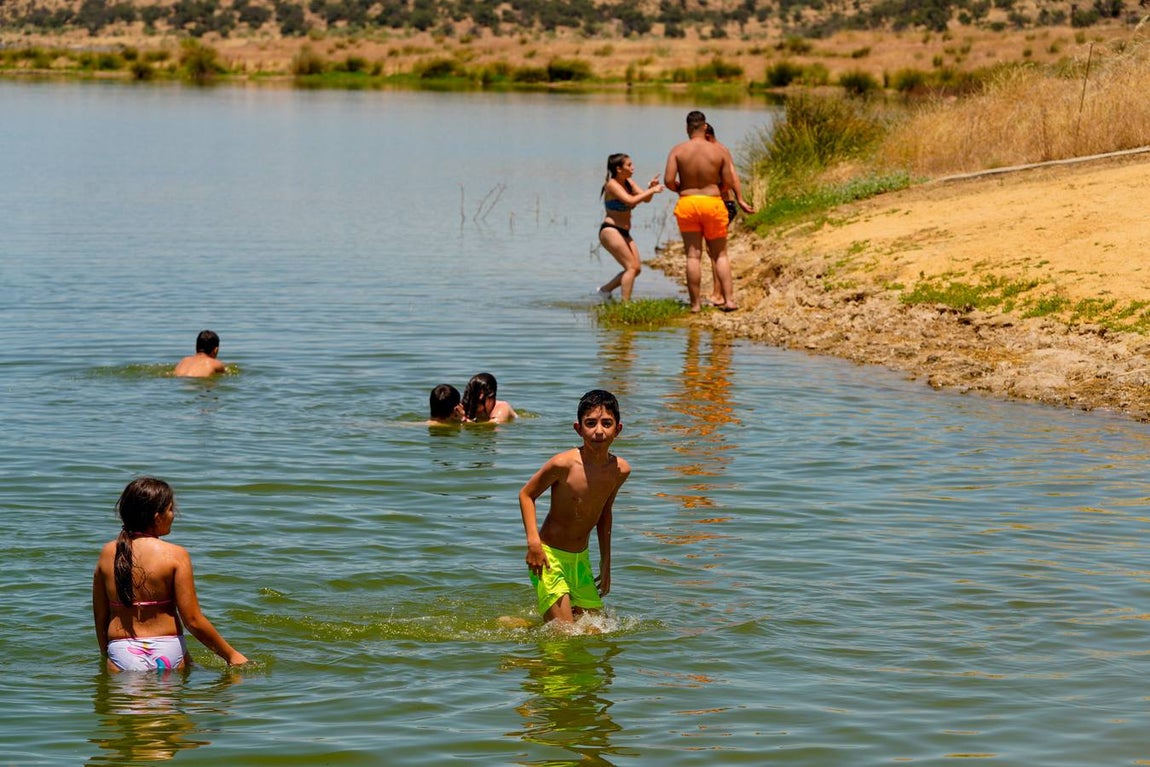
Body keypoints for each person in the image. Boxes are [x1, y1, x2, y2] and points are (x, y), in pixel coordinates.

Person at [92, 477, 248, 672]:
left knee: (123, 703)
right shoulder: (175, 554)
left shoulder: (107, 553)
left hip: (122, 651)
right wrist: (231, 655)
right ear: (157, 517)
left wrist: (108, 654)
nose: (173, 515)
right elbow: (192, 620)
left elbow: (101, 616)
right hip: (167, 651)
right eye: (170, 509)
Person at [518, 389, 631, 627]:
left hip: (581, 561)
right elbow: (526, 494)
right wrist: (533, 544)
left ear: (617, 429)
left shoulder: (620, 470)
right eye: (590, 423)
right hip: (549, 558)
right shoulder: (564, 464)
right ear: (578, 429)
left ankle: (521, 625)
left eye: (606, 423)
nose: (598, 431)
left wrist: (606, 562)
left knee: (596, 631)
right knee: (566, 635)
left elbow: (604, 515)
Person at [663, 110, 748, 313]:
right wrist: (716, 190)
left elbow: (668, 180)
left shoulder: (678, 150)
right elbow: (728, 181)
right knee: (720, 255)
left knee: (693, 257)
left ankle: (695, 305)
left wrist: (681, 189)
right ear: (704, 126)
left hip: (688, 202)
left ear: (687, 128)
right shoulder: (718, 151)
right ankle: (729, 301)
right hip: (713, 202)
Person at [596, 153, 664, 301]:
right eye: (629, 165)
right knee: (631, 268)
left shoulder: (628, 182)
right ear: (619, 169)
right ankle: (625, 305)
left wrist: (650, 189)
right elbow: (629, 200)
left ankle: (605, 291)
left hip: (624, 231)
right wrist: (651, 190)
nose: (633, 167)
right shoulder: (612, 185)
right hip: (611, 230)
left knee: (636, 269)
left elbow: (646, 199)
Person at [704, 122, 756, 307]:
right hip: (726, 204)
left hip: (723, 204)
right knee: (713, 250)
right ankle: (718, 293)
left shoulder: (716, 150)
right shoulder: (720, 150)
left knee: (716, 251)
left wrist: (738, 198)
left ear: (707, 135)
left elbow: (731, 179)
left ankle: (719, 295)